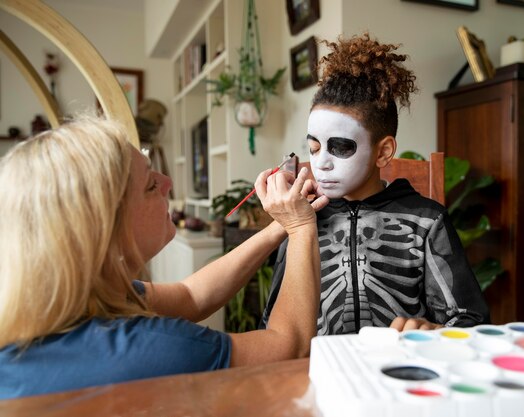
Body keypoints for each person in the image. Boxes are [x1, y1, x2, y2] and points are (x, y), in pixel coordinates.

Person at [0, 115, 328, 400]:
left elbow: (191, 296)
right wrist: (300, 226)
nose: (168, 183)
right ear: (104, 227)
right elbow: (290, 346)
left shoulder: (72, 300)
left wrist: (278, 228)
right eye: (149, 184)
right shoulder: (139, 350)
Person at [260, 33, 490, 335]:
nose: (321, 163)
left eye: (340, 147)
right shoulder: (302, 222)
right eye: (314, 148)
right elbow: (271, 327)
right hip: (320, 371)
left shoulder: (426, 221)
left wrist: (432, 331)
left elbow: (471, 321)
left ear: (383, 151)